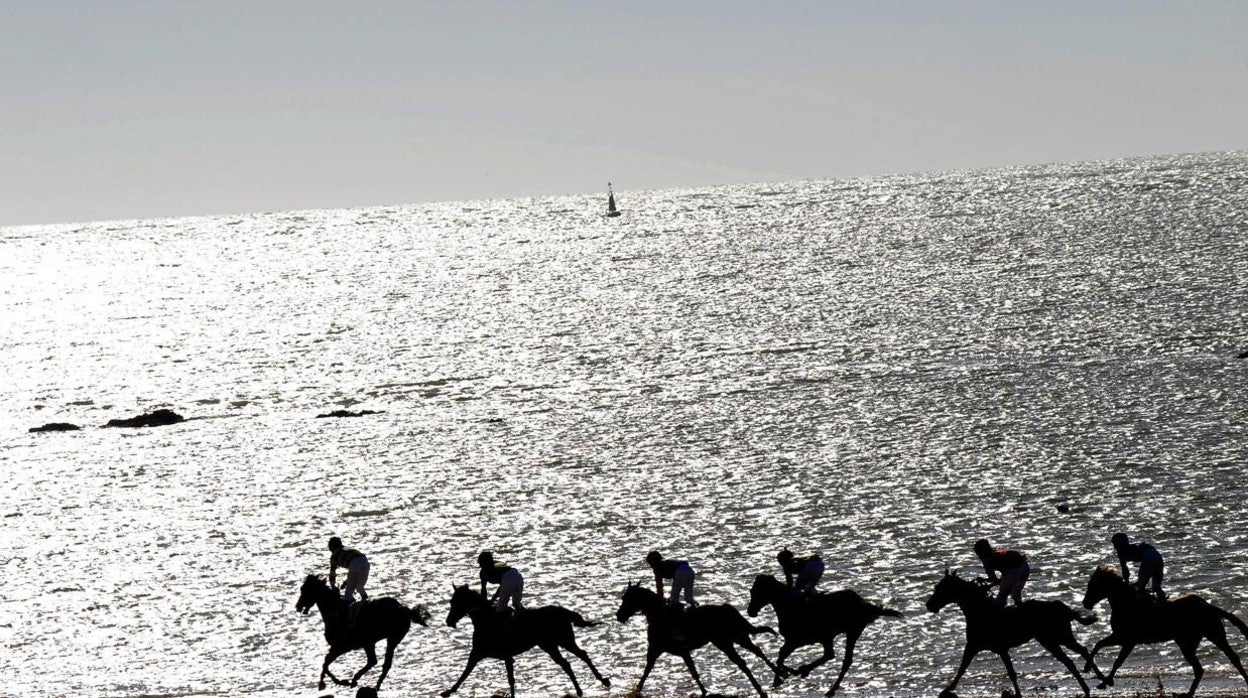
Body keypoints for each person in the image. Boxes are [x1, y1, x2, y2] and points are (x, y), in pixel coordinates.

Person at [973, 538, 1029, 606]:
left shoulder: (987, 561)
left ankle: (1000, 609)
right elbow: (998, 580)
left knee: (1002, 596)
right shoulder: (996, 553)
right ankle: (1021, 608)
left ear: (981, 552)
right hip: (1024, 566)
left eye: (978, 552)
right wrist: (986, 581)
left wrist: (986, 585)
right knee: (1015, 593)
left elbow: (995, 580)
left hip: (1014, 569)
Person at [1112, 532, 1166, 600]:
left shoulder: (1121, 553)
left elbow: (1125, 571)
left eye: (1115, 545)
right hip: (1157, 557)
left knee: (1140, 587)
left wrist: (1127, 583)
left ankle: (1142, 603)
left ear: (1120, 544)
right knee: (1156, 587)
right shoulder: (1132, 546)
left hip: (1148, 558)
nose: (1114, 547)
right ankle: (1163, 600)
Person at [328, 536, 370, 604]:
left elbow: (332, 572)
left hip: (354, 563)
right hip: (365, 561)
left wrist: (333, 586)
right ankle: (366, 602)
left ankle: (348, 607)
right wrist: (346, 582)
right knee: (359, 587)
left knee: (348, 594)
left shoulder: (334, 555)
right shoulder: (348, 548)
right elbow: (355, 570)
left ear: (332, 547)